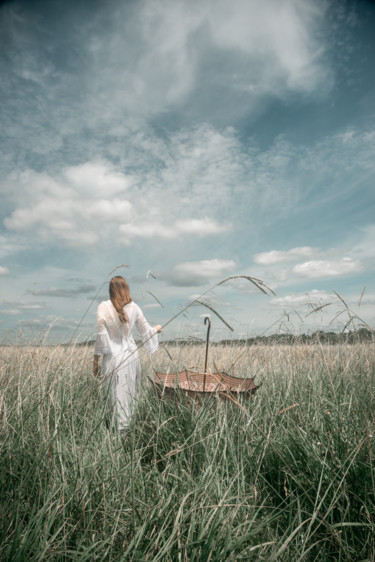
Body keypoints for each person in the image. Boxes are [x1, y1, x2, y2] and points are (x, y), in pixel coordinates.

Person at [93, 276, 162, 431]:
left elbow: (101, 338)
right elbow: (147, 331)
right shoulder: (134, 307)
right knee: (129, 393)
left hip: (113, 358)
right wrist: (157, 328)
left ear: (110, 290)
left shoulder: (103, 307)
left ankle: (115, 431)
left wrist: (95, 363)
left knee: (114, 395)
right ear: (126, 288)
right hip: (131, 357)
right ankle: (127, 429)